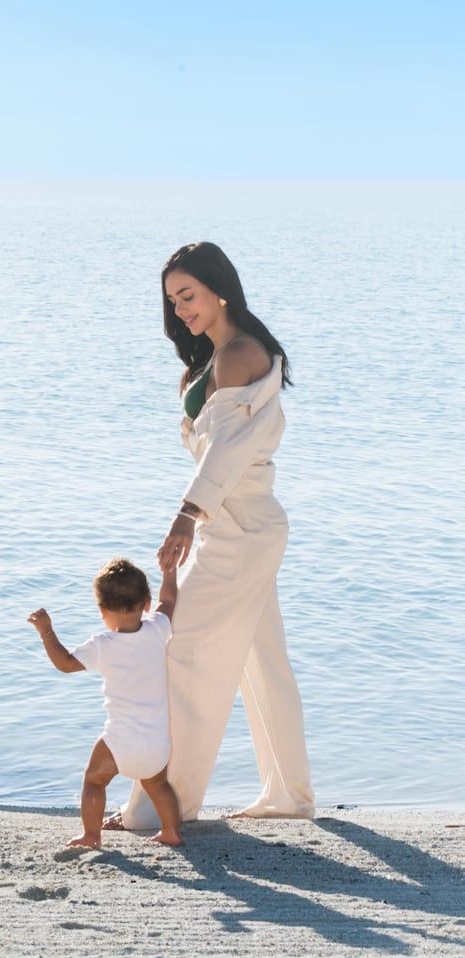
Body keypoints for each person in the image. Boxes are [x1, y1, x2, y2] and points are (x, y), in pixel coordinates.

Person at [107, 242, 315, 831]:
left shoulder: (241, 355)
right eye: (173, 301)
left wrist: (184, 515)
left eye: (189, 296)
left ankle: (160, 806)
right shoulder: (206, 364)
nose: (181, 310)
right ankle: (290, 796)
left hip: (239, 524)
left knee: (181, 651)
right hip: (237, 524)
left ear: (220, 288)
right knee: (262, 660)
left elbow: (226, 451)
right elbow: (214, 447)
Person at [28, 558, 183, 848]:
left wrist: (46, 631)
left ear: (102, 612)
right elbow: (169, 601)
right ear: (146, 603)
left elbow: (64, 663)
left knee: (94, 781)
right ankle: (172, 832)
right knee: (159, 785)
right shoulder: (158, 629)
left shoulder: (103, 645)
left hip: (119, 741)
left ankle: (91, 835)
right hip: (157, 742)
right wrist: (169, 572)